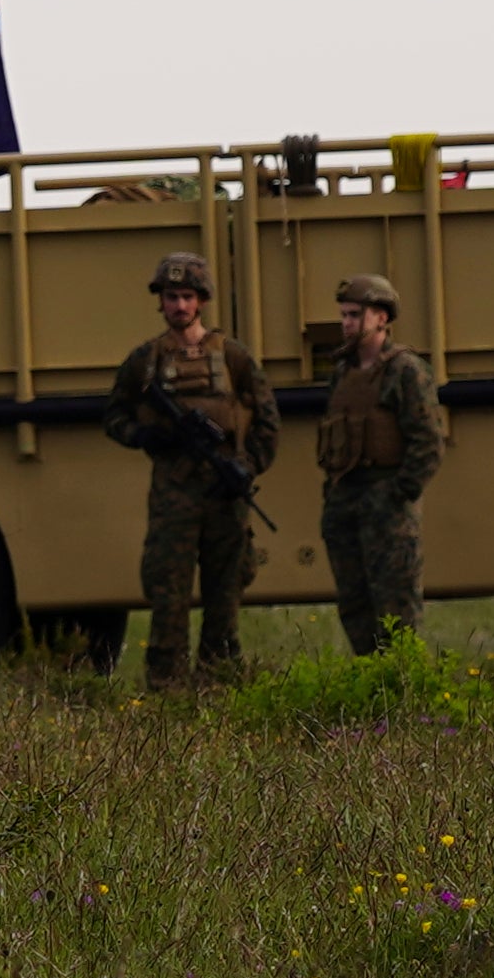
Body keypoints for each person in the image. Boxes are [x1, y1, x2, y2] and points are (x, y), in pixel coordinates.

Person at [97, 248, 275, 688]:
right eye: (172, 296)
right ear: (161, 301)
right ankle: (165, 686)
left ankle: (219, 681)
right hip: (173, 494)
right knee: (168, 593)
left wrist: (245, 468)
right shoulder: (146, 361)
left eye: (187, 297)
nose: (179, 305)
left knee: (225, 594)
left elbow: (267, 422)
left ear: (202, 301)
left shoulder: (233, 357)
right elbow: (114, 416)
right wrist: (146, 436)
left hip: (224, 493)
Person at [306, 269, 448, 655]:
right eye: (345, 315)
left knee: (396, 605)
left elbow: (429, 441)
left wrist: (398, 493)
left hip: (387, 507)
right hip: (346, 502)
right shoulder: (343, 372)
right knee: (354, 603)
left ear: (381, 317)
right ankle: (371, 683)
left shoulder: (405, 371)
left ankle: (400, 691)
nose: (347, 324)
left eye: (356, 315)